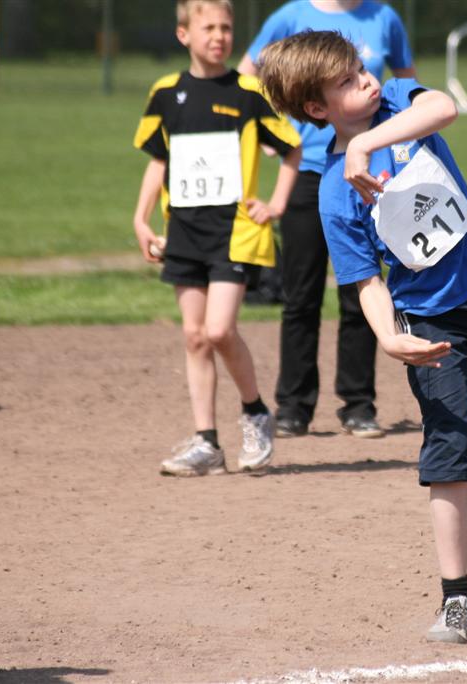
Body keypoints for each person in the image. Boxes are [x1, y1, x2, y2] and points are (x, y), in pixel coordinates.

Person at [257, 30, 467, 644]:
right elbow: (363, 279)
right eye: (347, 81)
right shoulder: (334, 192)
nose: (366, 79)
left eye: (360, 68)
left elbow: (445, 107)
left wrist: (366, 141)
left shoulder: (400, 102)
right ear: (317, 107)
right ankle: (456, 597)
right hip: (429, 321)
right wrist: (387, 336)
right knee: (449, 450)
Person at [132, 0, 302, 476]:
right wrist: (141, 219)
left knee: (219, 330)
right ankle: (206, 441)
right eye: (207, 27)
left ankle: (256, 412)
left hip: (236, 233)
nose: (219, 36)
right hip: (183, 231)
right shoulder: (166, 93)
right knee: (194, 335)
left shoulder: (249, 92)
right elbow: (159, 160)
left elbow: (291, 148)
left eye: (225, 28)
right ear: (184, 34)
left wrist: (276, 205)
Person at [237, 0, 416, 440]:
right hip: (308, 171)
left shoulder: (383, 17)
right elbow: (246, 75)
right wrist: (266, 132)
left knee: (361, 288)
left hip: (369, 171)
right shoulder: (290, 15)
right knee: (301, 294)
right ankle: (294, 407)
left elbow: (408, 80)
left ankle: (358, 405)